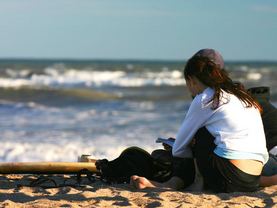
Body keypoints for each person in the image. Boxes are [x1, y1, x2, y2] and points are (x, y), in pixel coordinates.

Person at [130, 49, 269, 193]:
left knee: (200, 133)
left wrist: (187, 148)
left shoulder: (206, 98)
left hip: (229, 179)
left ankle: (190, 184)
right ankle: (179, 182)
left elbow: (178, 149)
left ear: (191, 80)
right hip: (252, 180)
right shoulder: (240, 96)